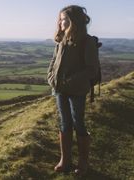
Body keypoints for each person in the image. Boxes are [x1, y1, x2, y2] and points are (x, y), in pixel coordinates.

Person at [47, 5, 99, 175]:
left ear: (75, 21)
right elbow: (53, 62)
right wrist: (51, 78)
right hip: (59, 89)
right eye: (61, 19)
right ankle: (65, 160)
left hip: (76, 90)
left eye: (66, 19)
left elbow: (91, 69)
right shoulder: (61, 40)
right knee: (64, 122)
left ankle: (83, 162)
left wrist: (69, 81)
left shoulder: (87, 41)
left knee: (78, 123)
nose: (62, 22)